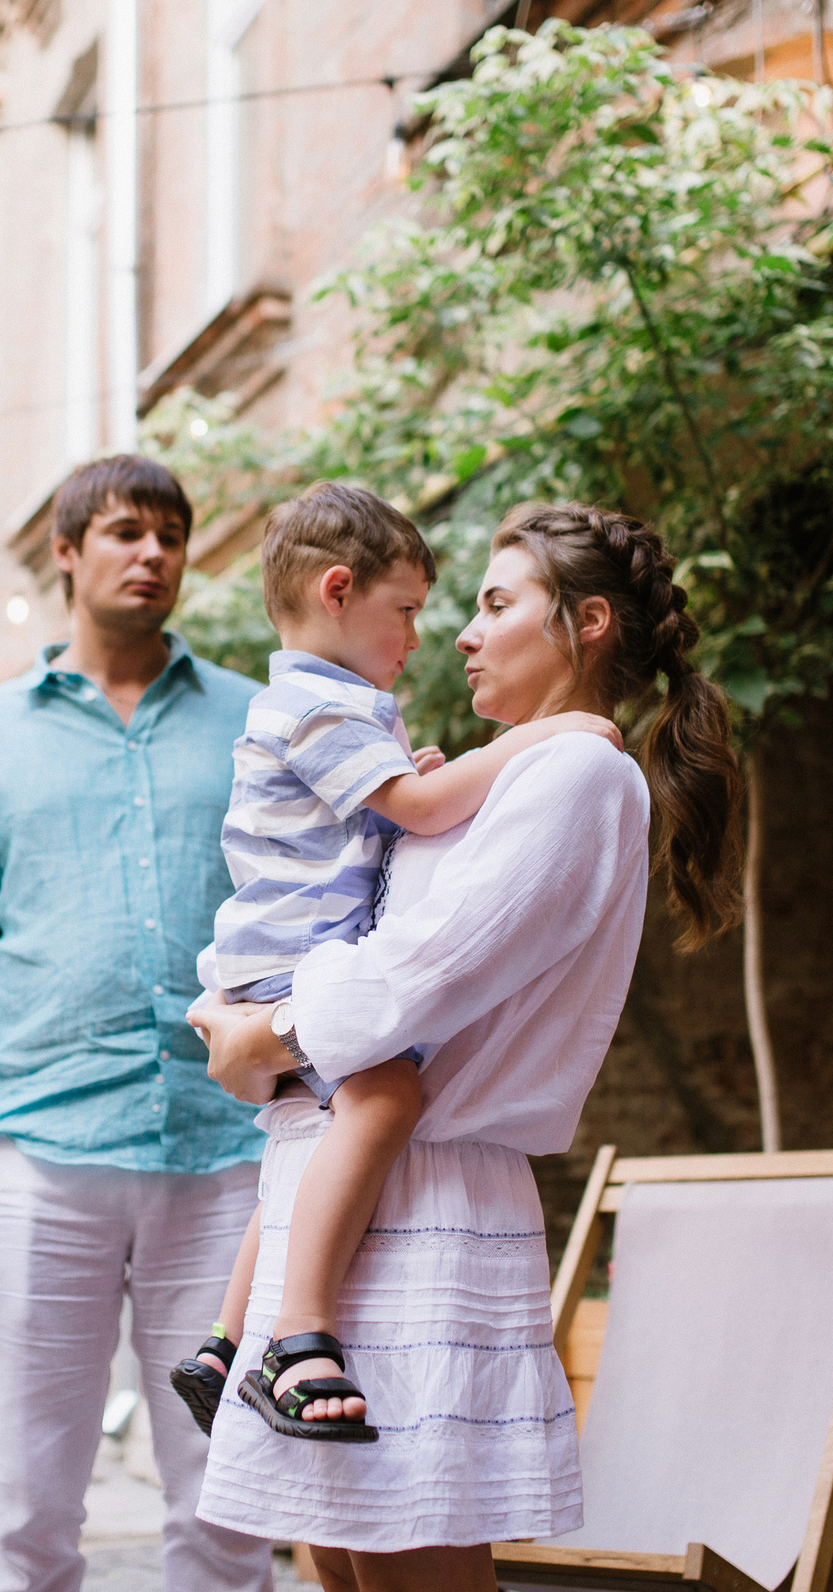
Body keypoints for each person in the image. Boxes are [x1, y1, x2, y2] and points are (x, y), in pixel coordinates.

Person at [186, 501, 745, 1592]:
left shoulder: (582, 774)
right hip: (339, 1188)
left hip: (425, 1205)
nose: (461, 631)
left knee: (413, 1568)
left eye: (495, 603)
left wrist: (264, 1031)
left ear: (584, 622)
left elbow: (419, 972)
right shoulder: (492, 778)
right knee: (341, 1563)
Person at [0, 454, 275, 1592]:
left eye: (171, 535)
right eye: (123, 532)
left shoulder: (256, 718)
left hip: (228, 1155)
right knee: (26, 1506)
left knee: (224, 1498)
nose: (152, 553)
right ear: (64, 551)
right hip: (37, 1149)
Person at [168, 483, 620, 1446]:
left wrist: (416, 774)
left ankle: (227, 1338)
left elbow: (399, 836)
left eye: (490, 605)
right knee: (383, 1102)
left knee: (300, 1137)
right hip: (292, 968)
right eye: (409, 610)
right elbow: (416, 817)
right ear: (339, 591)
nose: (431, 634)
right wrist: (546, 730)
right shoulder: (323, 707)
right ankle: (294, 1337)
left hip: (287, 973)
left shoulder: (332, 709)